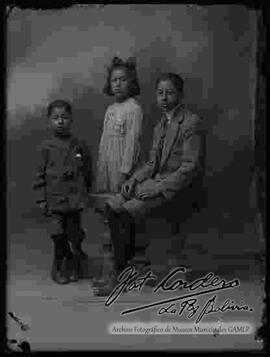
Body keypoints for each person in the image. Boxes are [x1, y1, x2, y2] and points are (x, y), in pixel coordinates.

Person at [93, 73, 206, 295]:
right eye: (160, 93)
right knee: (113, 205)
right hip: (156, 183)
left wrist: (157, 187)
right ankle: (124, 269)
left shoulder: (191, 123)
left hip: (180, 189)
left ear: (180, 95)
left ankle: (117, 276)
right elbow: (153, 162)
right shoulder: (160, 125)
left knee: (126, 211)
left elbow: (189, 168)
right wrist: (135, 179)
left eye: (170, 92)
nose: (164, 98)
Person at [33, 100, 92, 284]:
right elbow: (38, 176)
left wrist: (86, 192)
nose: (60, 121)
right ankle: (58, 267)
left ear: (71, 120)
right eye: (56, 118)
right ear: (49, 121)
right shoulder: (45, 147)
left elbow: (88, 171)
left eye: (64, 117)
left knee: (75, 234)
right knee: (58, 234)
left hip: (74, 199)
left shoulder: (79, 144)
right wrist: (41, 200)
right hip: (54, 199)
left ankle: (74, 264)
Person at [95, 56, 143, 193]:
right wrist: (101, 166)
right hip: (107, 161)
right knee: (106, 198)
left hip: (122, 163)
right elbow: (104, 140)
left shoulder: (134, 108)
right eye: (114, 80)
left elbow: (133, 143)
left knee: (121, 198)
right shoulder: (110, 109)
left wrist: (125, 171)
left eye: (123, 80)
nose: (117, 84)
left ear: (131, 83)